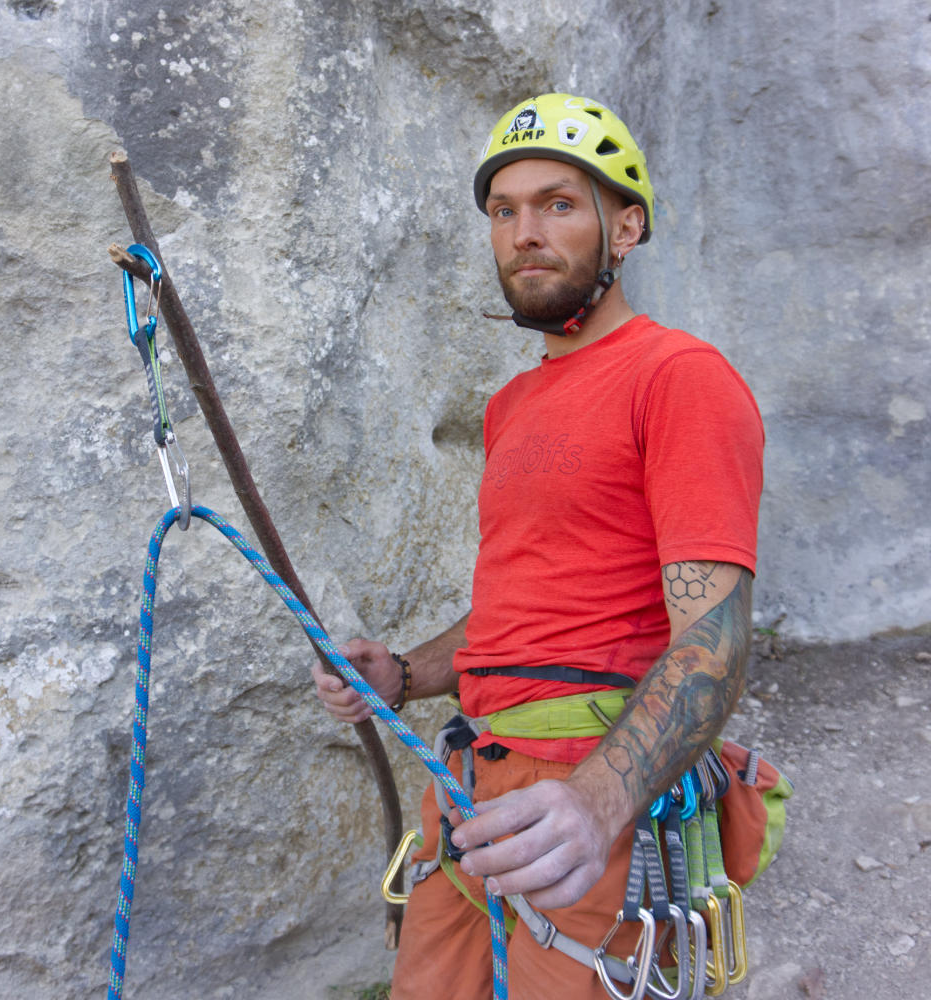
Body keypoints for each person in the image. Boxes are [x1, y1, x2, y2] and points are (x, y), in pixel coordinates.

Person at [313, 92, 764, 999]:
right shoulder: (513, 408)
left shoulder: (678, 379)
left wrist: (596, 806)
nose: (525, 232)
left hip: (590, 796)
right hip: (478, 788)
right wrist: (401, 674)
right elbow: (520, 617)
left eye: (558, 204)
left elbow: (712, 640)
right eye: (503, 210)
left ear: (625, 226)